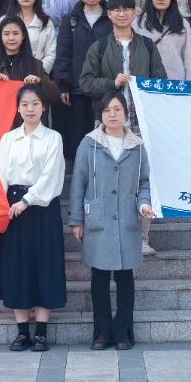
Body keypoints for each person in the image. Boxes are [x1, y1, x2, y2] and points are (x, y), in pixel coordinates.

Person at [79, 0, 166, 257]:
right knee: (104, 178)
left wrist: (144, 86)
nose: (121, 14)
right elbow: (85, 83)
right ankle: (104, 234)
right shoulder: (99, 47)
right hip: (108, 121)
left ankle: (142, 237)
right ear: (109, 14)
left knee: (139, 179)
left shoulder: (147, 45)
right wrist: (112, 83)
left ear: (134, 13)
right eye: (116, 9)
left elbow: (160, 82)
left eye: (126, 9)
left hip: (140, 122)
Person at [68, 91, 155, 351]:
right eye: (107, 110)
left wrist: (144, 203)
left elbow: (144, 182)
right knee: (99, 278)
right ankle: (101, 333)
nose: (112, 114)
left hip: (127, 218)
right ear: (100, 115)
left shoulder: (136, 146)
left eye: (117, 109)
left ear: (126, 113)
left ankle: (123, 332)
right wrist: (76, 220)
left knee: (126, 277)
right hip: (99, 218)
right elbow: (79, 183)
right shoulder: (89, 144)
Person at [0, 83, 67, 352]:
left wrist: (27, 200)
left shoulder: (53, 138)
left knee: (44, 264)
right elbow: (1, 174)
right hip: (12, 208)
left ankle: (41, 333)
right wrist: (1, 204)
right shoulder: (7, 139)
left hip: (42, 207)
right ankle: (22, 332)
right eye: (25, 104)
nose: (30, 109)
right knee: (18, 266)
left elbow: (51, 175)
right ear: (17, 109)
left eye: (35, 103)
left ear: (43, 107)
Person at [53, 0, 112, 159]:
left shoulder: (111, 18)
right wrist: (63, 84)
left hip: (104, 86)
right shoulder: (70, 20)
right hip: (77, 88)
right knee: (78, 138)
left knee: (105, 137)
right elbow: (63, 54)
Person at [0, 16, 62, 104]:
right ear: (0, 36)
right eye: (6, 34)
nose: (11, 38)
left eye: (16, 33)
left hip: (27, 112)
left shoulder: (35, 64)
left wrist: (39, 82)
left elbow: (55, 95)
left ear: (23, 35)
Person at [134, 0, 191, 81]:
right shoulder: (138, 23)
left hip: (175, 82)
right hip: (147, 82)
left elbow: (189, 59)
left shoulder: (182, 24)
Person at [3, 0, 58, 72]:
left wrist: (37, 72)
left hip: (37, 74)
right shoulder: (4, 21)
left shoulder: (46, 23)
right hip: (9, 74)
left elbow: (51, 54)